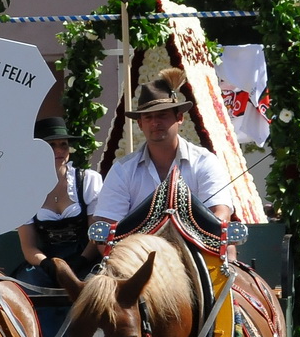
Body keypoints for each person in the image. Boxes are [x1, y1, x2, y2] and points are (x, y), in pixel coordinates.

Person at [90, 68, 240, 234]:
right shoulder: (122, 171)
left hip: (196, 248)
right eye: (148, 117)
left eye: (162, 115)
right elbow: (108, 227)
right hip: (139, 254)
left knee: (229, 256)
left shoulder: (205, 162)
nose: (155, 123)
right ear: (140, 124)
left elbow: (220, 214)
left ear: (179, 118)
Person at [16, 117, 104, 308]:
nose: (59, 150)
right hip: (45, 263)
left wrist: (80, 262)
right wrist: (50, 265)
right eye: (51, 145)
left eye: (63, 144)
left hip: (85, 258)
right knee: (23, 292)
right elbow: (29, 248)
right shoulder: (26, 191)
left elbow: (95, 235)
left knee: (97, 289)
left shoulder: (87, 180)